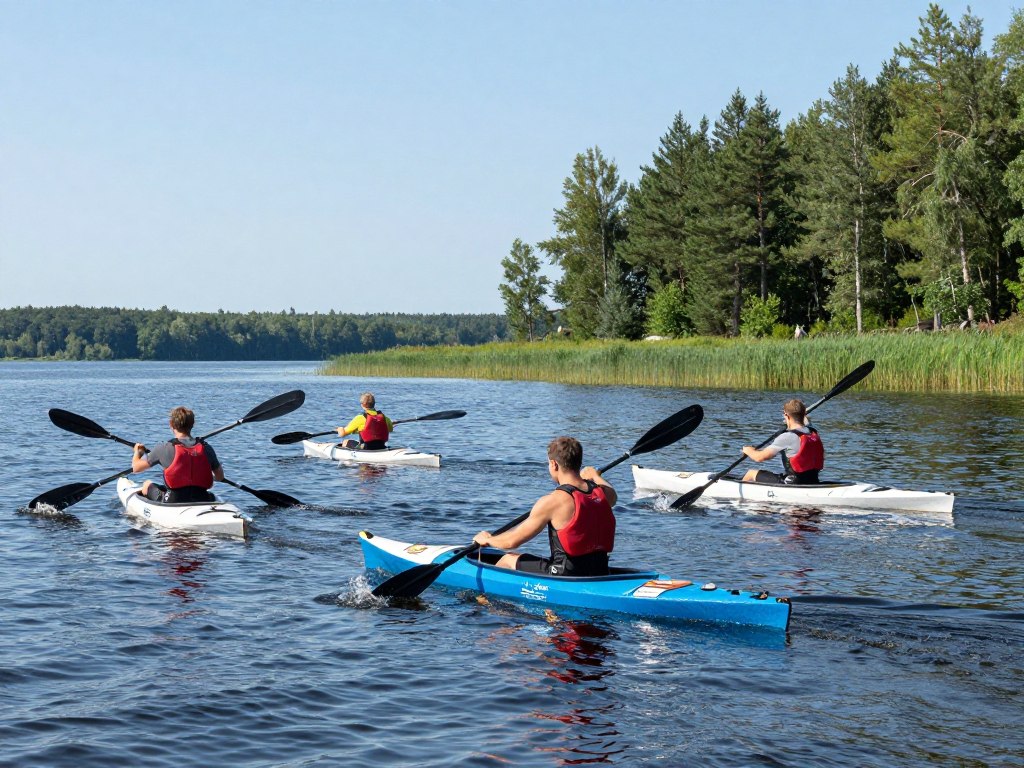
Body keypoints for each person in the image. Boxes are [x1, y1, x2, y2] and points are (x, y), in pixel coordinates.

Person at [473, 437, 617, 576]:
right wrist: (595, 475)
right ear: (578, 462)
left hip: (566, 574)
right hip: (600, 570)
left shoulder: (553, 501)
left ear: (554, 464)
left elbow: (512, 542)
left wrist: (488, 539)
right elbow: (613, 495)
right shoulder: (603, 494)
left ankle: (483, 599)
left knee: (508, 559)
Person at [131, 406, 224, 503]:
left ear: (171, 424)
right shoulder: (207, 448)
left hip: (174, 500)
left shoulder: (163, 448)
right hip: (202, 497)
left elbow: (136, 468)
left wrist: (138, 452)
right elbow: (220, 477)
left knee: (147, 484)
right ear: (193, 424)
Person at [741, 398, 824, 485]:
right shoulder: (812, 431)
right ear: (804, 415)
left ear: (786, 416)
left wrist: (748, 450)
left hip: (793, 482)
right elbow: (806, 422)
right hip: (813, 481)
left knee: (751, 473)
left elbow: (759, 457)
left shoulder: (787, 437)